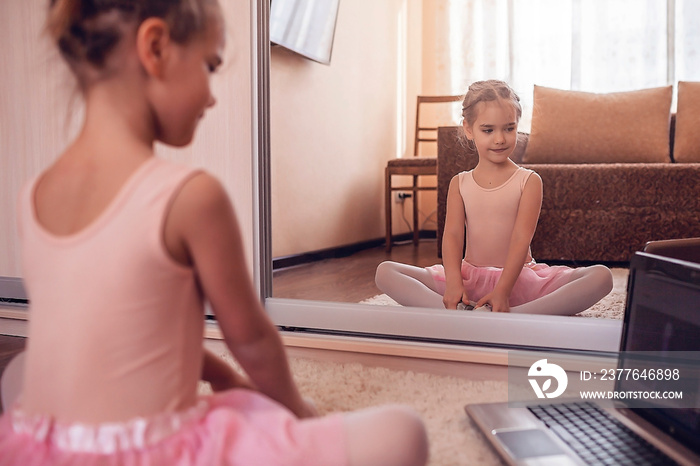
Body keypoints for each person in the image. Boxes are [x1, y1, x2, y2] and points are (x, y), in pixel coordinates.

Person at [0, 1, 428, 465]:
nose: (211, 97)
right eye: (209, 65)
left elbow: (106, 329)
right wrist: (299, 413)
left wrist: (220, 374)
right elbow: (252, 340)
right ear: (156, 48)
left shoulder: (33, 195)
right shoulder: (190, 197)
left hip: (47, 446)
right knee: (403, 432)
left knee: (18, 377)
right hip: (157, 450)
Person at [376, 80, 613, 315]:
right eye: (488, 130)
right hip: (468, 279)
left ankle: (506, 316)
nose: (499, 139)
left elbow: (521, 238)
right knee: (385, 272)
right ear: (468, 129)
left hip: (518, 280)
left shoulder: (529, 181)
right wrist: (454, 282)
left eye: (509, 128)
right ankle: (460, 312)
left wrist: (503, 290)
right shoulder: (460, 183)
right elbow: (453, 235)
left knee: (601, 276)